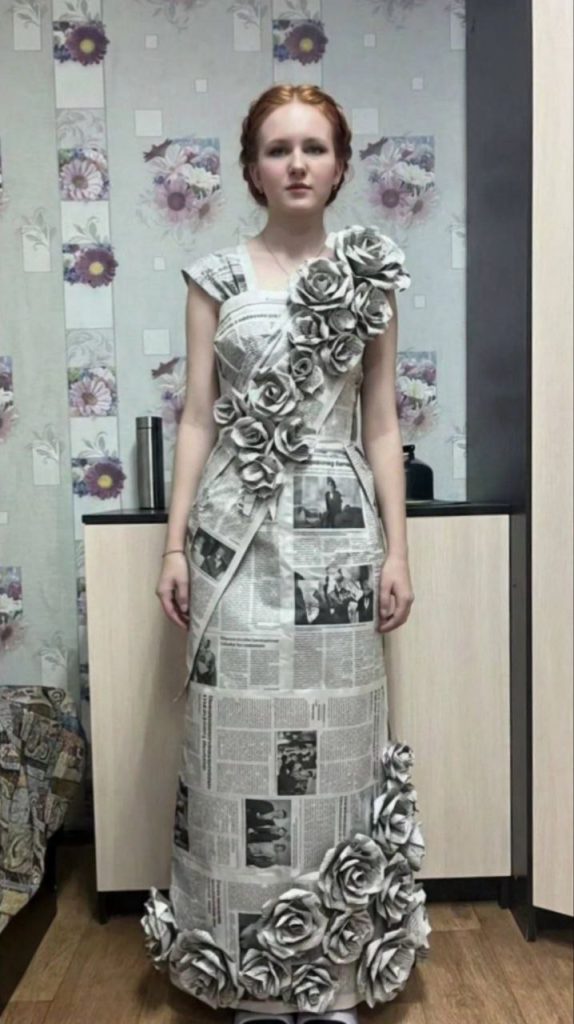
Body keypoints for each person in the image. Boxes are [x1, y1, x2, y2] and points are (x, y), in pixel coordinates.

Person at [142, 84, 431, 1024]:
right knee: (234, 751)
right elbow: (197, 418)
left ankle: (332, 977)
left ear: (340, 167)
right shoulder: (214, 278)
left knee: (337, 746)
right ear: (251, 169)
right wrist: (174, 543)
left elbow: (381, 421)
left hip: (338, 546)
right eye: (278, 149)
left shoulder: (370, 277)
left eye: (314, 147)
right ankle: (251, 982)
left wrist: (398, 551)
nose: (297, 163)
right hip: (236, 538)